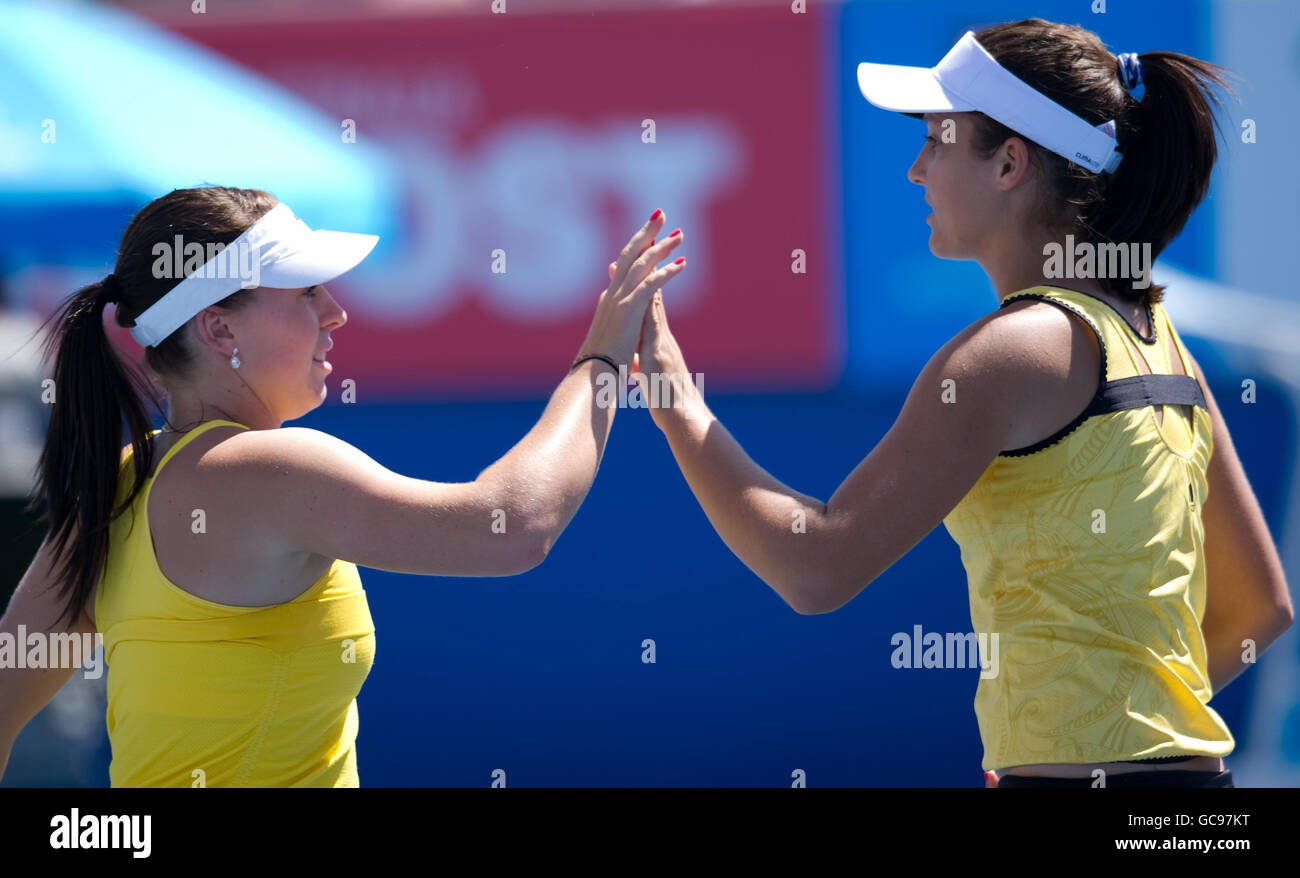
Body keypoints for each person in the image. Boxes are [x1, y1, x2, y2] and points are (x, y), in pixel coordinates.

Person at [631, 19, 1292, 788]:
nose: (918, 170)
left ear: (1011, 162)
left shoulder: (1004, 357)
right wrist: (1109, 735)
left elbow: (814, 567)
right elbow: (1260, 610)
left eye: (939, 141)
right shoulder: (1166, 347)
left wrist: (675, 399)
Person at [0, 185, 685, 786]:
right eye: (305, 293)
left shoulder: (119, 485)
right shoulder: (271, 471)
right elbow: (511, 526)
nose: (335, 312)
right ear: (218, 327)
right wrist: (599, 362)